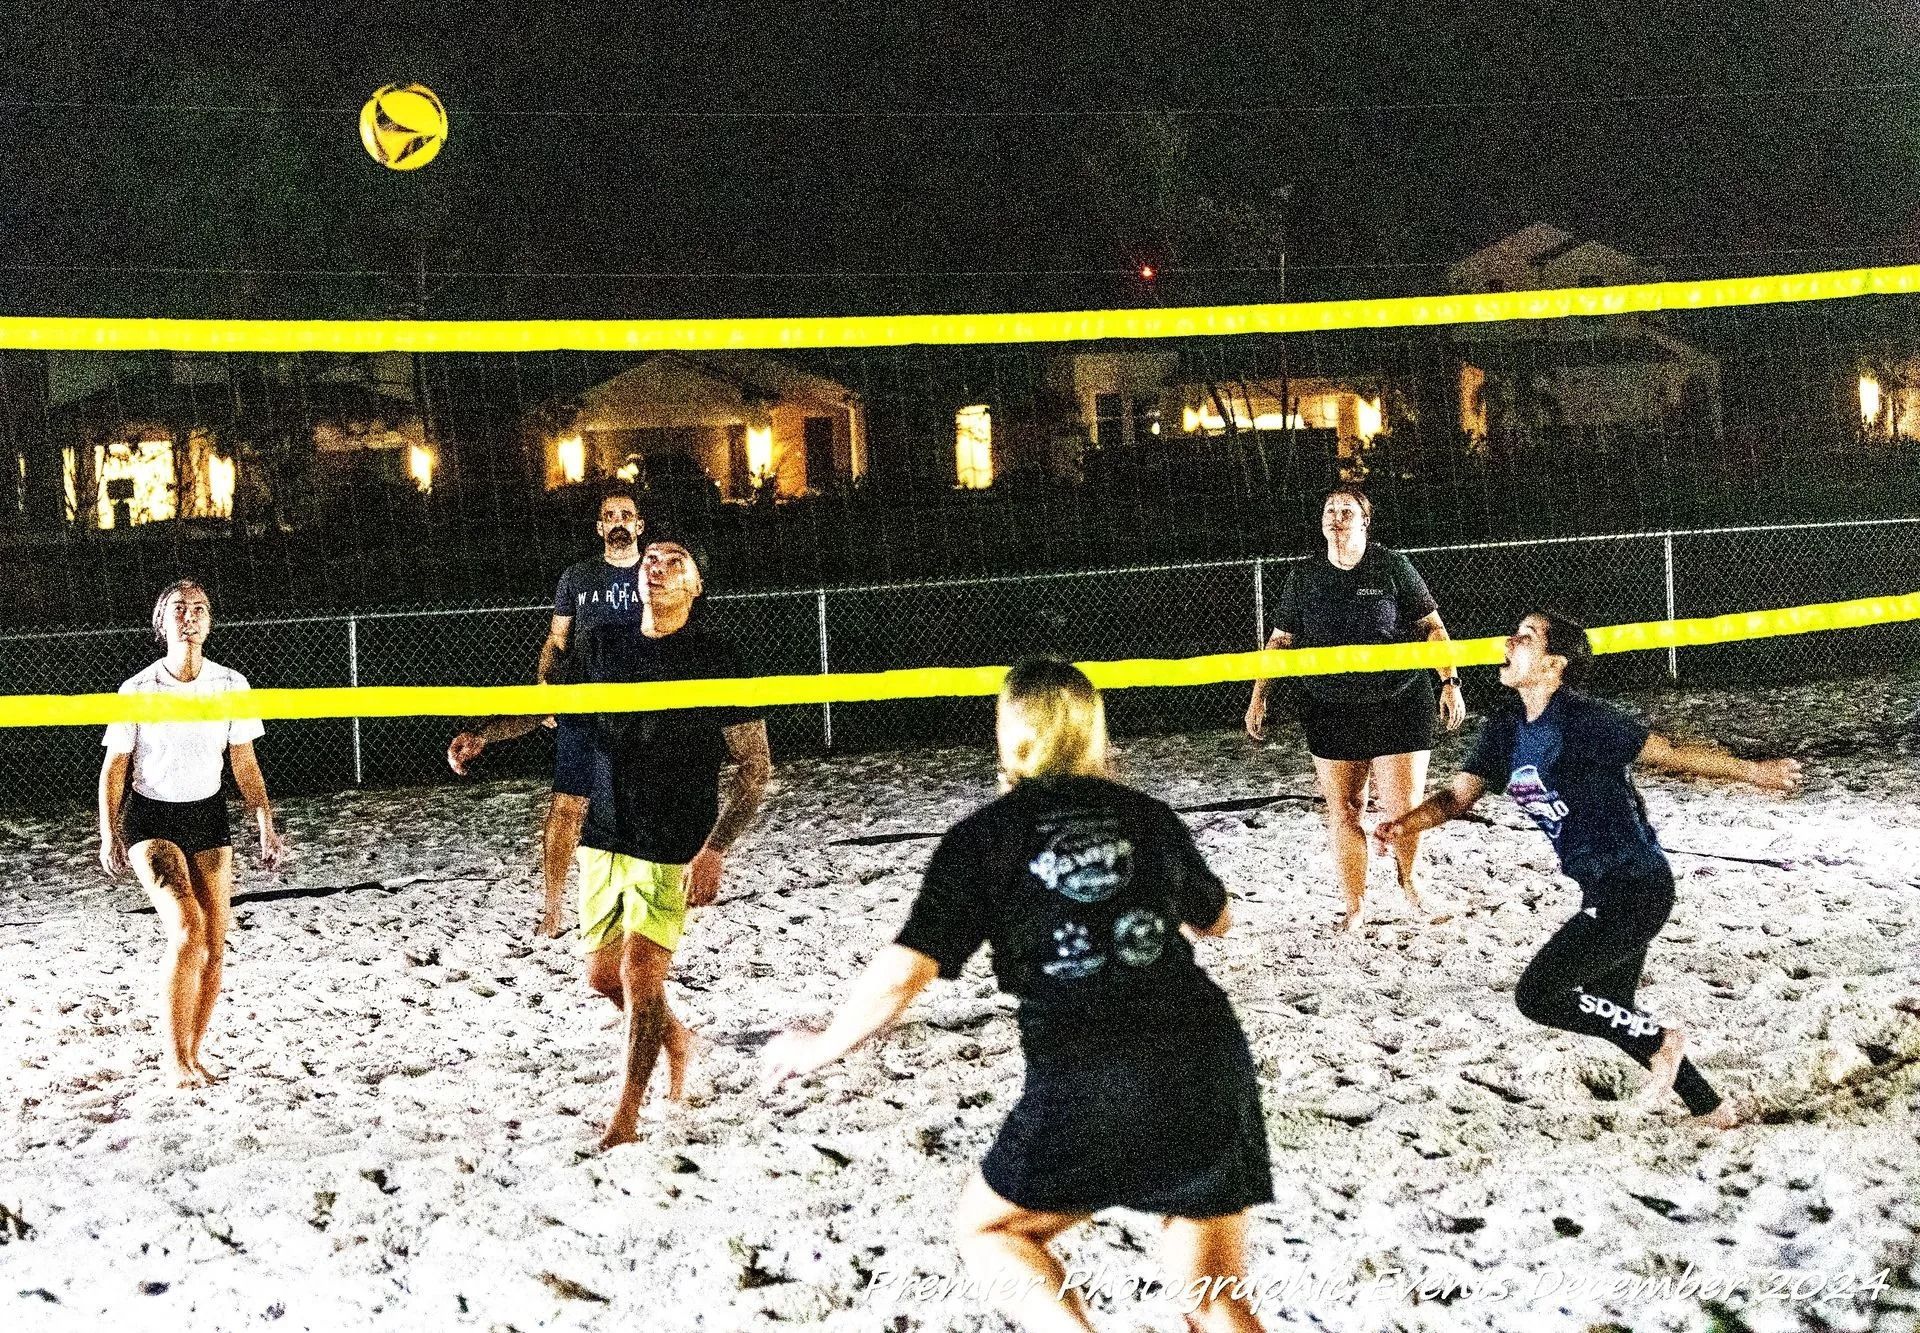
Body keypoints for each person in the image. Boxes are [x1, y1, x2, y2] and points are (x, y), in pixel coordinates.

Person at [764, 659, 1271, 1333]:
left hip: (1092, 1068)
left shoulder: (984, 838)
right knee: (1211, 1295)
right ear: (1093, 733)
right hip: (1205, 1056)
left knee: (990, 1232)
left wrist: (822, 1045)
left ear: (1011, 735)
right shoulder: (1147, 817)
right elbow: (1217, 919)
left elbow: (903, 972)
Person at [1372, 611, 1802, 1130]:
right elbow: (1458, 796)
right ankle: (1712, 1108)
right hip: (1602, 886)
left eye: (1526, 637)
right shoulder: (1507, 725)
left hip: (1635, 886)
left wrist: (1755, 772)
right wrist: (1405, 824)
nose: (1509, 641)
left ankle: (1665, 1043)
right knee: (1615, 1013)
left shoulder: (1582, 720)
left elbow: (1669, 754)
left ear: (1555, 663)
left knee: (1538, 996)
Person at [452, 539, 772, 1149]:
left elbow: (755, 767)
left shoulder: (717, 656)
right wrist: (487, 736)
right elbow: (552, 710)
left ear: (696, 587)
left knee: (640, 975)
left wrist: (716, 848)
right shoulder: (602, 644)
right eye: (652, 558)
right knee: (603, 977)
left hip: (673, 836)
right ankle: (678, 1040)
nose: (657, 566)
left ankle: (624, 1121)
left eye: (675, 560)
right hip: (607, 832)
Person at [1245, 487, 1465, 929]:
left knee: (1402, 808)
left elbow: (1432, 627)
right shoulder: (1305, 576)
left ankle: (1411, 888)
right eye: (1329, 509)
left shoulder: (1391, 565)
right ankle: (1355, 906)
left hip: (1398, 701)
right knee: (1345, 809)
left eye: (1347, 510)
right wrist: (1259, 694)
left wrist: (1449, 681)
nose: (1337, 516)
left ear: (1365, 521)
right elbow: (1280, 641)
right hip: (1331, 707)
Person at [98, 579, 289, 1087]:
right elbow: (115, 767)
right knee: (187, 931)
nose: (191, 616)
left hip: (207, 817)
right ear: (162, 623)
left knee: (214, 942)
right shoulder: (138, 690)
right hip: (152, 821)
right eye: (179, 609)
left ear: (210, 621)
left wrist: (265, 823)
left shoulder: (230, 685)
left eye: (200, 608)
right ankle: (173, 1057)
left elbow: (244, 762)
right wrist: (108, 832)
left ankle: (195, 1053)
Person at [449, 489, 643, 937]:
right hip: (584, 703)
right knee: (567, 807)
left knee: (644, 807)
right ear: (599, 527)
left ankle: (643, 904)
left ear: (639, 525)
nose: (618, 522)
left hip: (639, 711)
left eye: (626, 516)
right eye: (609, 516)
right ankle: (553, 911)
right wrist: (543, 686)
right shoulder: (578, 577)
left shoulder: (653, 572)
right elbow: (556, 642)